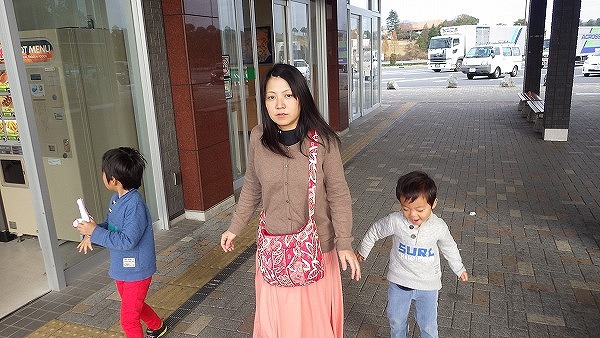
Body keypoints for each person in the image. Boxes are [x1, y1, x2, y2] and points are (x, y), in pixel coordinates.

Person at [220, 63, 361, 338]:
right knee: (277, 326)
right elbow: (251, 187)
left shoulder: (323, 142)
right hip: (275, 251)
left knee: (312, 326)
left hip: (317, 252)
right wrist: (234, 227)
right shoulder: (258, 137)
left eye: (287, 95)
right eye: (271, 97)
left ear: (301, 97)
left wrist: (344, 243)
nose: (279, 104)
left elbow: (339, 195)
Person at [356, 171, 468, 338]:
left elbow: (449, 247)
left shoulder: (438, 226)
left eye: (420, 209)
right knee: (396, 320)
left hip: (428, 286)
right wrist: (363, 250)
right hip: (399, 282)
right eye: (406, 208)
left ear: (434, 203)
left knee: (428, 325)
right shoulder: (396, 221)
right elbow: (376, 230)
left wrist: (459, 268)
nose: (413, 215)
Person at [75, 147, 168, 338]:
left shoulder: (134, 206)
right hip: (122, 267)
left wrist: (95, 232)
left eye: (104, 172)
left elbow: (127, 241)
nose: (102, 175)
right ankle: (157, 326)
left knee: (128, 319)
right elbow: (110, 227)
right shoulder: (116, 199)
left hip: (137, 269)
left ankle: (157, 326)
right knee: (134, 305)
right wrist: (91, 231)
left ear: (113, 180)